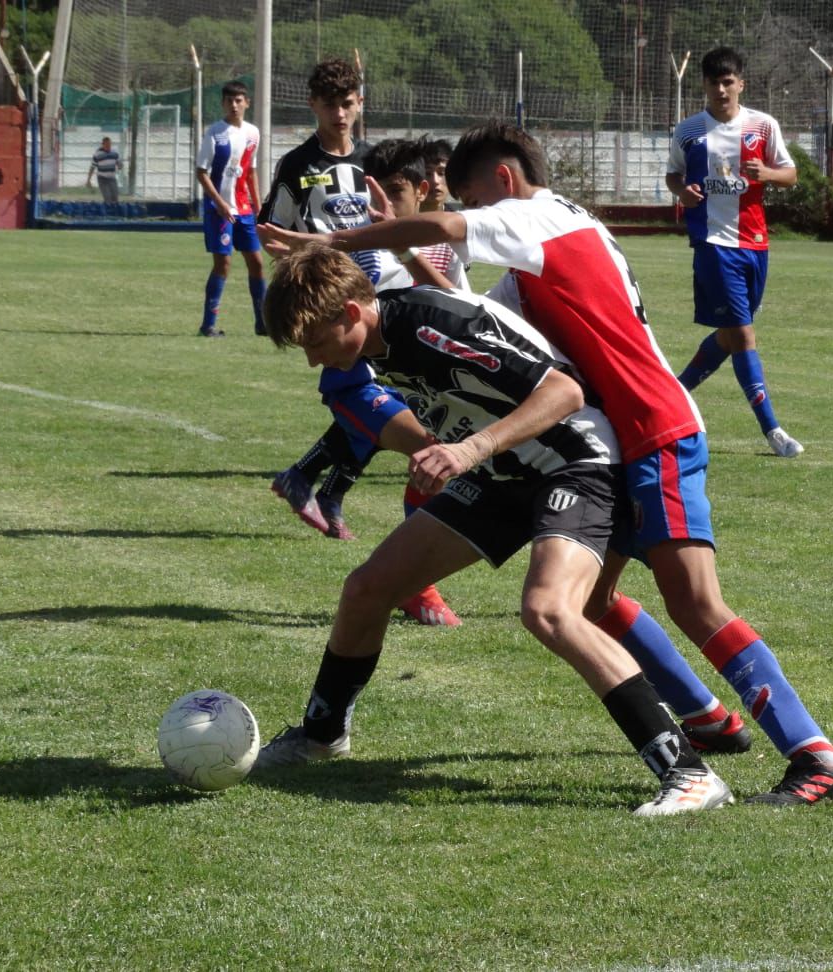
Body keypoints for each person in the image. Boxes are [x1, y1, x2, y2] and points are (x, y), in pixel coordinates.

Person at [259, 121, 833, 807]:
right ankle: (705, 719)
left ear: (506, 182)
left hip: (643, 426)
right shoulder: (544, 258)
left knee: (689, 603)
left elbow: (455, 246)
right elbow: (474, 321)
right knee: (592, 602)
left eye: (471, 198)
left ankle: (813, 754)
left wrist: (338, 241)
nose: (467, 214)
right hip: (598, 436)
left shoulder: (537, 216)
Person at [253, 245, 734, 817]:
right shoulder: (377, 344)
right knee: (367, 589)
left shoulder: (431, 327)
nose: (313, 359)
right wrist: (440, 449)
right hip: (506, 471)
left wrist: (468, 449)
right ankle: (321, 735)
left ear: (352, 315)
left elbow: (565, 392)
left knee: (549, 611)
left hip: (576, 460)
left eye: (316, 343)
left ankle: (688, 773)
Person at [259, 59, 458, 627]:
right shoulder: (298, 166)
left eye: (347, 103)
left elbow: (402, 220)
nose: (339, 113)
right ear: (314, 106)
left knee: (417, 433)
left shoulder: (374, 163)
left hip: (394, 310)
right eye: (329, 103)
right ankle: (412, 583)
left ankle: (312, 483)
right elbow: (276, 234)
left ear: (359, 104)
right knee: (423, 444)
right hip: (343, 316)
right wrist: (308, 277)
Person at [667, 47, 803, 459]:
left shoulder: (763, 127)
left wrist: (769, 174)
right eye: (714, 82)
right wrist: (682, 192)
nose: (722, 89)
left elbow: (790, 174)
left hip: (755, 245)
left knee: (729, 337)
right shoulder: (689, 131)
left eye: (729, 82)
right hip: (712, 244)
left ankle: (669, 396)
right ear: (704, 86)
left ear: (741, 84)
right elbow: (673, 175)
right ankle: (773, 431)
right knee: (744, 334)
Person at [195, 81, 267, 338]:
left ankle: (262, 323)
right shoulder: (215, 132)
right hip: (219, 210)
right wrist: (220, 202)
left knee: (257, 263)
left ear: (246, 102)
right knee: (223, 264)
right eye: (229, 101)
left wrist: (260, 207)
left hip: (244, 209)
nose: (234, 105)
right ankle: (208, 325)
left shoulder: (253, 133)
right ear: (223, 104)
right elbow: (201, 172)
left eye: (239, 100)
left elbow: (250, 172)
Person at [86, 136, 121, 206]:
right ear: (103, 144)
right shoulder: (98, 154)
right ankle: (107, 213)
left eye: (110, 144)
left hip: (112, 178)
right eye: (107, 145)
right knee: (107, 198)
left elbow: (119, 163)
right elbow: (92, 167)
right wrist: (88, 180)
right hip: (102, 179)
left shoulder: (115, 153)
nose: (108, 146)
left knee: (115, 197)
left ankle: (115, 213)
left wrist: (120, 166)